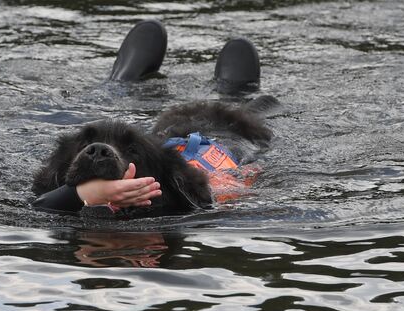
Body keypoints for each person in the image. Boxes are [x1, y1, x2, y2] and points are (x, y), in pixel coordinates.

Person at [31, 19, 262, 213]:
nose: (98, 150)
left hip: (229, 129)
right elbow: (40, 202)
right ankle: (122, 81)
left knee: (238, 110)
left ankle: (126, 81)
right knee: (246, 113)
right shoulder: (53, 187)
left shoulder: (178, 183)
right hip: (231, 131)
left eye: (133, 152)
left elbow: (200, 202)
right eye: (86, 144)